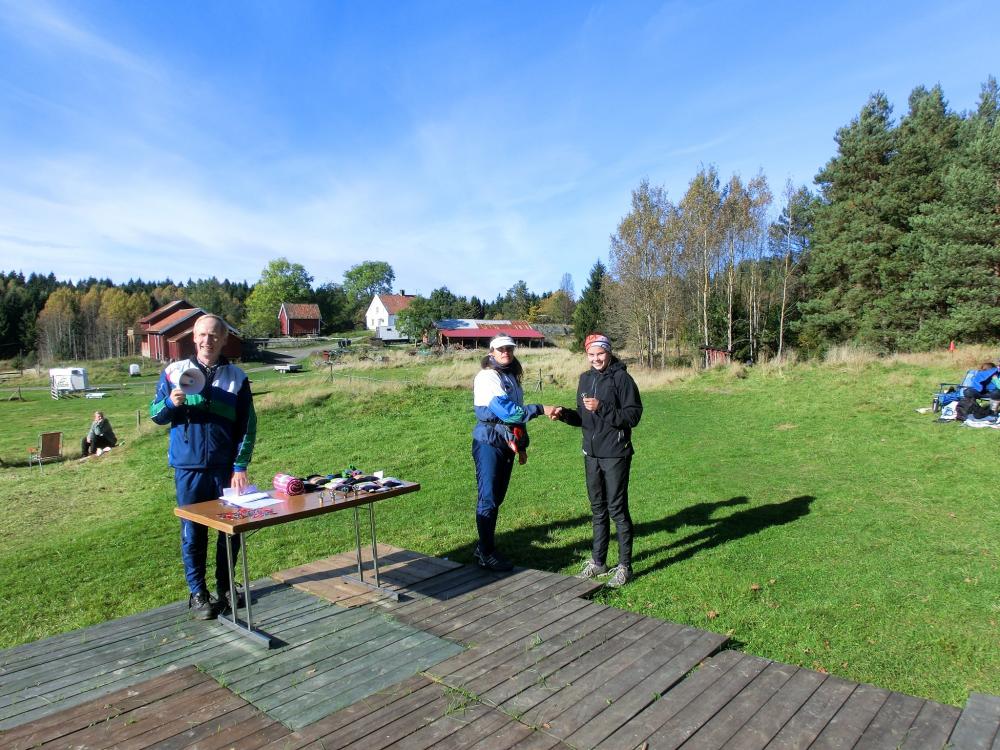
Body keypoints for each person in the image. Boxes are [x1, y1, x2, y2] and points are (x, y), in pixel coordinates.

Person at [150, 314, 257, 619]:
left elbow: (248, 425)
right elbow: (155, 415)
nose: (207, 340)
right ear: (194, 338)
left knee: (230, 531)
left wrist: (240, 466)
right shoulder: (174, 372)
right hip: (189, 468)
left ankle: (226, 587)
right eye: (202, 335)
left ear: (223, 339)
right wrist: (170, 403)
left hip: (225, 469)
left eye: (213, 335)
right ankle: (198, 593)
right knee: (193, 532)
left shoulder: (236, 378)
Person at [553, 333, 643, 588]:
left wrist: (601, 407)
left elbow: (633, 416)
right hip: (591, 454)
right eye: (591, 354)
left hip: (615, 453)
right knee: (598, 509)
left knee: (617, 510)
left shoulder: (622, 379)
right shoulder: (585, 379)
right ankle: (598, 562)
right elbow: (583, 417)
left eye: (600, 353)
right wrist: (564, 415)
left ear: (609, 352)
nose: (596, 359)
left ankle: (624, 566)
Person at [472, 335, 559, 571]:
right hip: (489, 443)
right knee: (489, 498)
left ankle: (484, 546)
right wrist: (541, 409)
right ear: (491, 352)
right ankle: (486, 552)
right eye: (501, 349)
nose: (506, 352)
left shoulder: (509, 376)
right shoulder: (488, 377)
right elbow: (509, 413)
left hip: (506, 443)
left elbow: (516, 419)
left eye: (509, 349)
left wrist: (521, 446)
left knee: (497, 497)